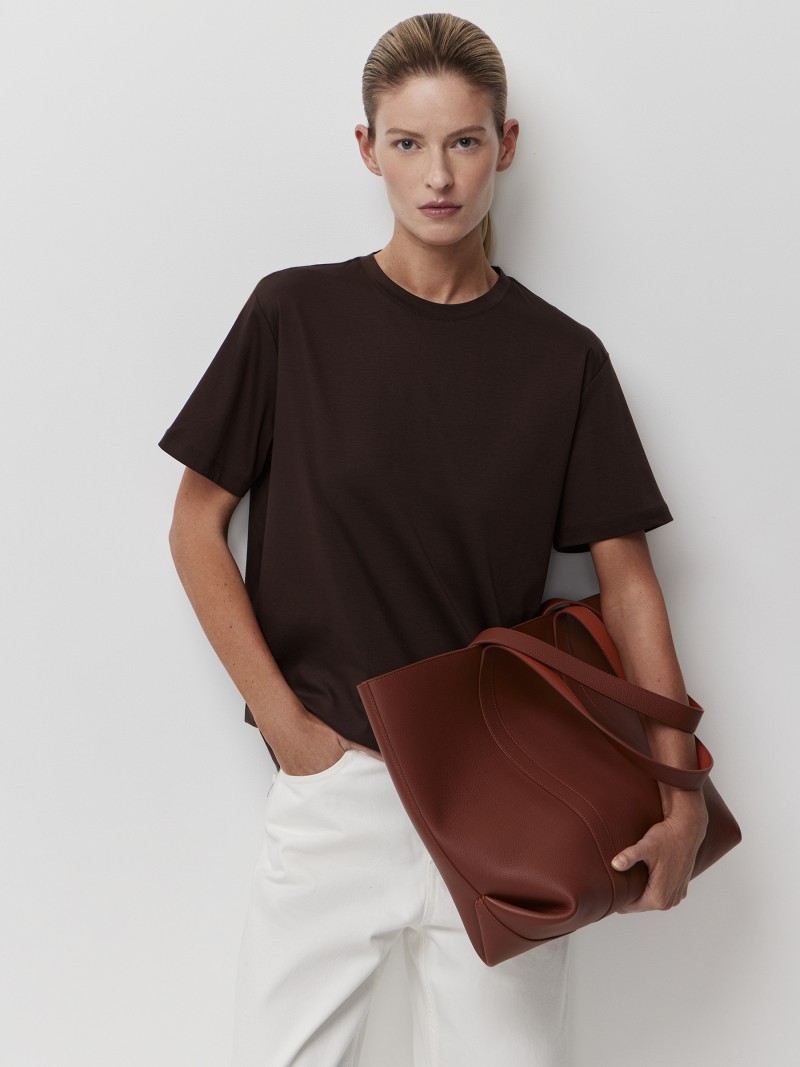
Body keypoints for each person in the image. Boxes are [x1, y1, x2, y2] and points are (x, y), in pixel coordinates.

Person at [158, 12, 709, 1067]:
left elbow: (629, 582)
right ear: (367, 149)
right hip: (339, 781)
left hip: (501, 793)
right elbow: (195, 523)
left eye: (463, 140)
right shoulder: (293, 316)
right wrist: (291, 731)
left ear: (506, 143)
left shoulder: (562, 359)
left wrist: (677, 787)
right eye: (408, 143)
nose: (438, 175)